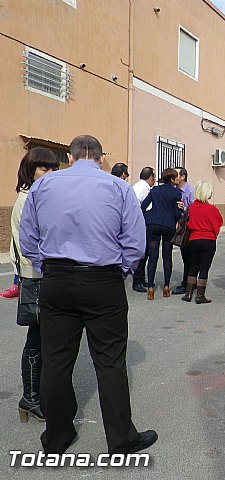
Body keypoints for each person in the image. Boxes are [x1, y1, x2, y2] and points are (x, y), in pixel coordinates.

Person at [19, 134, 156, 454]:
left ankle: (56, 438)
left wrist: (49, 267)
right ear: (100, 157)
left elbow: (28, 240)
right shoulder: (119, 188)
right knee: (110, 362)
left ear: (70, 157)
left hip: (56, 280)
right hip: (103, 282)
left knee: (56, 360)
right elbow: (135, 243)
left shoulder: (43, 186)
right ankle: (122, 439)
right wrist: (117, 271)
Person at [11, 148, 59, 422]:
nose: (49, 174)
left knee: (42, 338)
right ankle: (30, 398)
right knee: (37, 338)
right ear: (30, 170)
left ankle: (35, 396)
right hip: (37, 277)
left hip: (41, 275)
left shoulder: (37, 196)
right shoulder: (27, 200)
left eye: (53, 169)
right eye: (43, 168)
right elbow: (29, 246)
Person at [140, 168, 183, 300]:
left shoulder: (155, 190)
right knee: (167, 256)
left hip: (153, 224)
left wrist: (149, 217)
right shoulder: (177, 193)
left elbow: (143, 206)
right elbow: (177, 213)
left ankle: (151, 288)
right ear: (171, 179)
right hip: (168, 226)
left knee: (153, 257)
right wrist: (174, 219)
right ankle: (166, 287)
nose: (178, 179)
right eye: (176, 177)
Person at [181, 181, 223, 304]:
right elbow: (217, 224)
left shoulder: (192, 207)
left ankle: (188, 294)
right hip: (208, 240)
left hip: (193, 239)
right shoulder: (212, 209)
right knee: (204, 268)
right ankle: (200, 295)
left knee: (193, 267)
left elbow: (188, 224)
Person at [131, 167, 155, 293]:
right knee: (142, 254)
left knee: (143, 254)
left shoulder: (138, 186)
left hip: (137, 224)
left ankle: (141, 278)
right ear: (151, 177)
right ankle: (137, 281)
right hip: (141, 225)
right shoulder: (143, 189)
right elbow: (145, 208)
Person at [172, 168, 195, 295]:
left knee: (188, 257)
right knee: (185, 256)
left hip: (186, 227)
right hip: (179, 226)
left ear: (183, 177)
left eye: (177, 175)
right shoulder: (175, 191)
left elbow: (193, 209)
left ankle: (187, 283)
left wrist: (183, 208)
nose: (174, 177)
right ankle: (190, 281)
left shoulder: (189, 191)